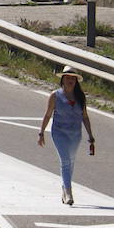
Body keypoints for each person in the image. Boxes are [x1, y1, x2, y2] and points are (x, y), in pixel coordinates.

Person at [37, 65, 95, 205]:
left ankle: (64, 188)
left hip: (76, 134)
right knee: (65, 161)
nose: (70, 81)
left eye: (73, 79)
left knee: (71, 161)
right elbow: (48, 114)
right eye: (68, 78)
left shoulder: (81, 97)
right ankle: (69, 192)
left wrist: (90, 135)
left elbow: (85, 117)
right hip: (59, 133)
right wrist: (41, 132)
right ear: (62, 79)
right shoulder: (55, 96)